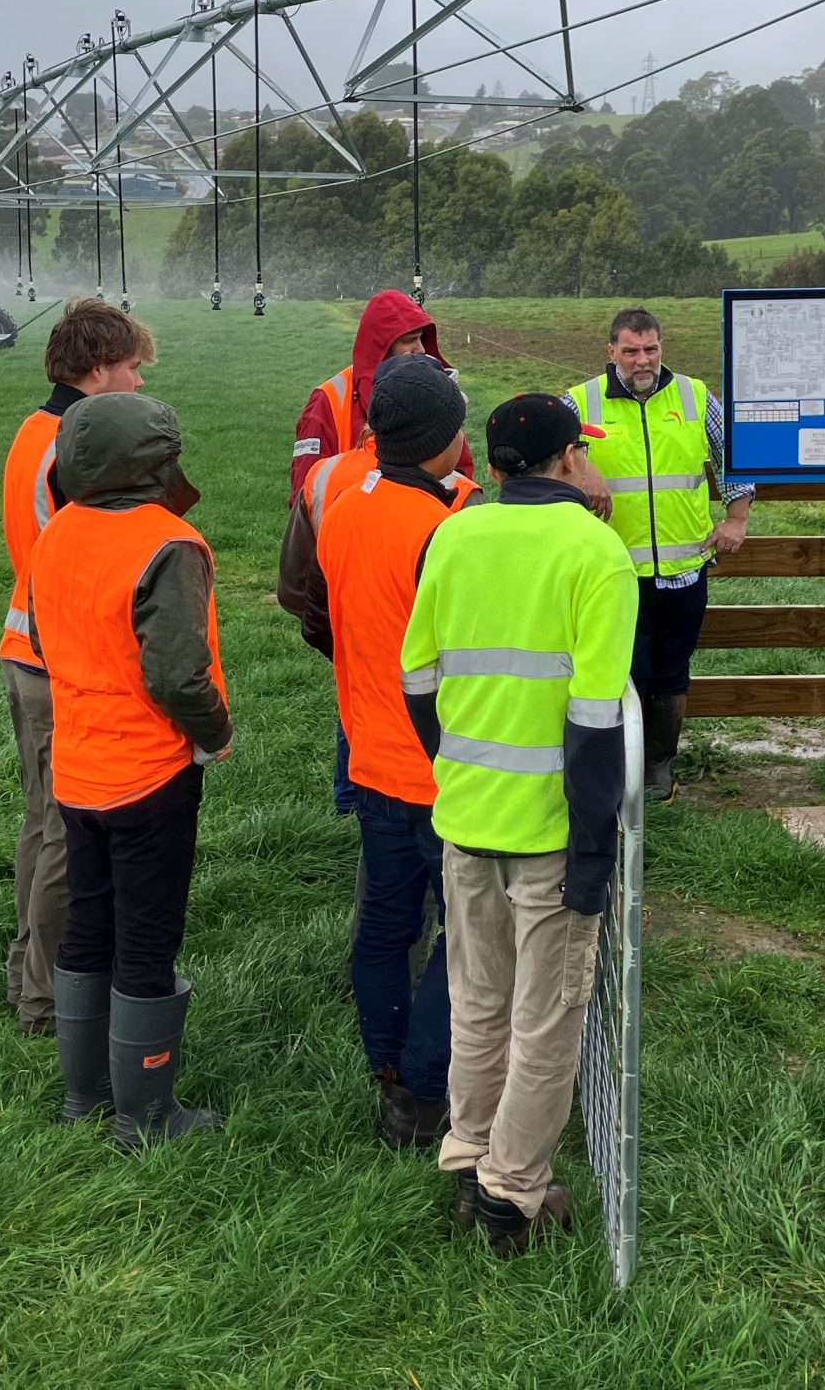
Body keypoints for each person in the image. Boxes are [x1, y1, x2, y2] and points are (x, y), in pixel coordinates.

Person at [402, 394, 637, 1255]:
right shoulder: (597, 554)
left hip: (465, 819)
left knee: (478, 1002)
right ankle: (511, 1196)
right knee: (546, 1020)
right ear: (569, 458)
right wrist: (592, 842)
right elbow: (595, 719)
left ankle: (470, 1158)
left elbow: (418, 682)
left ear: (495, 463)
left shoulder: (453, 534)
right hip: (549, 835)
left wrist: (459, 769)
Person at [29, 391, 232, 1149]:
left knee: (91, 923)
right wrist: (214, 732)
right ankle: (145, 1117)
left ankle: (85, 1098)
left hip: (77, 765)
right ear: (156, 459)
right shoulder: (168, 543)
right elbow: (179, 676)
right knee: (147, 938)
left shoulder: (61, 531)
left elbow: (49, 640)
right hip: (149, 773)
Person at [285, 356, 477, 1147]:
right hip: (440, 766)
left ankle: (388, 1071)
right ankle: (425, 1088)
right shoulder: (445, 529)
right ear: (443, 439)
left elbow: (321, 615)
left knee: (387, 924)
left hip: (370, 752)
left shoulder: (346, 499)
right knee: (465, 935)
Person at [0, 299, 155, 1036]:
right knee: (65, 833)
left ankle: (27, 965)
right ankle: (46, 1000)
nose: (139, 382)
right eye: (131, 369)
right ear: (96, 371)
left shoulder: (34, 429)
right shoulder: (75, 447)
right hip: (64, 659)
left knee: (42, 821)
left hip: (25, 650)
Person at [567, 307, 752, 801]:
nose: (642, 360)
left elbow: (735, 455)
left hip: (684, 569)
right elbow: (550, 454)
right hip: (614, 572)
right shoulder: (579, 401)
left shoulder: (694, 396)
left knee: (671, 672)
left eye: (651, 349)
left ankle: (657, 768)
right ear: (611, 353)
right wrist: (584, 466)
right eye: (631, 350)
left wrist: (736, 519)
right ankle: (617, 768)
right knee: (623, 674)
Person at [288, 288, 443, 503]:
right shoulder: (328, 401)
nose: (422, 349)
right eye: (410, 340)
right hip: (348, 531)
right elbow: (307, 496)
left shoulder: (437, 394)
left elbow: (459, 474)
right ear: (381, 347)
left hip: (421, 528)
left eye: (422, 339)